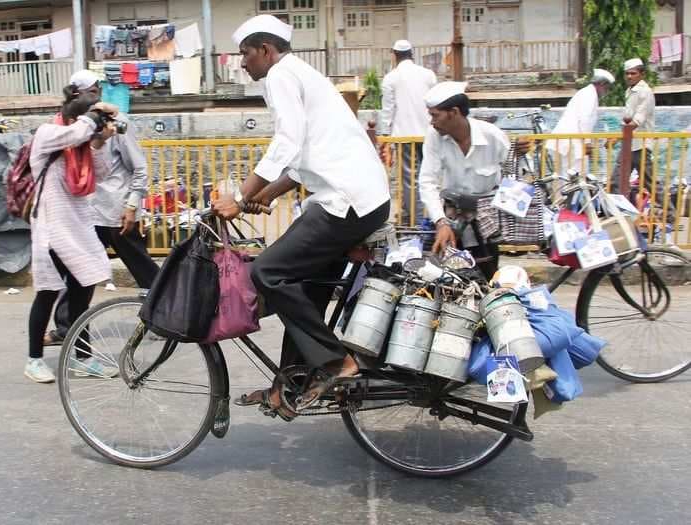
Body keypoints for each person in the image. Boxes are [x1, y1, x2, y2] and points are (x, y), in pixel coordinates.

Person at [213, 15, 390, 418]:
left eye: (245, 54)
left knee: (268, 272)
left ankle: (334, 361)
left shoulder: (280, 76)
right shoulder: (302, 74)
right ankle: (288, 386)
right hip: (359, 198)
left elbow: (287, 143)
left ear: (266, 51)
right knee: (302, 282)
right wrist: (268, 195)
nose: (242, 63)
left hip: (346, 202)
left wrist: (241, 197)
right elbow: (303, 158)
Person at [43, 70, 158, 347]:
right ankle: (65, 328)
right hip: (85, 212)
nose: (95, 96)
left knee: (142, 267)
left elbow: (139, 167)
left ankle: (170, 314)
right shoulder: (69, 125)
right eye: (90, 92)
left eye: (97, 91)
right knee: (77, 272)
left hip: (116, 211)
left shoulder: (116, 123)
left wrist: (132, 206)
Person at [24, 91, 118, 383]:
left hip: (77, 227)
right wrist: (94, 118)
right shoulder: (49, 133)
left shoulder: (82, 144)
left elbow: (101, 173)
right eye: (89, 120)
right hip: (51, 229)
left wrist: (100, 141)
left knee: (81, 293)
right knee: (48, 293)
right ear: (76, 118)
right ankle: (34, 359)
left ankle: (83, 358)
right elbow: (76, 132)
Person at [419, 81, 510, 279]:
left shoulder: (493, 137)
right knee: (442, 279)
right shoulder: (434, 137)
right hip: (452, 220)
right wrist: (441, 222)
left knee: (487, 278)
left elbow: (514, 176)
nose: (431, 122)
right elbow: (428, 181)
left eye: (435, 115)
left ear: (454, 112)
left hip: (486, 223)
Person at [379, 39, 437, 225]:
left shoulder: (391, 78)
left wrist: (385, 136)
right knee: (427, 175)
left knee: (410, 178)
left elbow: (388, 110)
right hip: (428, 133)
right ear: (412, 53)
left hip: (405, 135)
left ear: (395, 55)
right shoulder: (428, 75)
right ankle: (420, 214)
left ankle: (416, 220)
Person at [546, 68, 614, 179]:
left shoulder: (586, 92)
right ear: (601, 84)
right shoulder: (590, 95)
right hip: (573, 140)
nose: (606, 90)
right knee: (576, 176)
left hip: (570, 139)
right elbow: (585, 119)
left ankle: (567, 196)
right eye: (607, 87)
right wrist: (587, 142)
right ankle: (569, 196)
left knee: (569, 175)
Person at [610, 58, 656, 195]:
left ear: (642, 74)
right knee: (616, 181)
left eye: (633, 73)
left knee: (650, 183)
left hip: (640, 145)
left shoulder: (645, 92)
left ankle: (671, 215)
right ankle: (621, 213)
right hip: (629, 143)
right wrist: (618, 137)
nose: (629, 76)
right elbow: (628, 119)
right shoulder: (630, 91)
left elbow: (637, 121)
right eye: (627, 73)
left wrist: (617, 138)